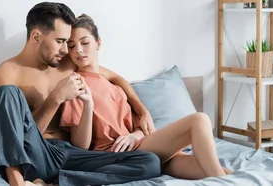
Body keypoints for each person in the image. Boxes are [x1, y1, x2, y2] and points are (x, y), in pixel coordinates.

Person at [0, 2, 161, 186]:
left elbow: (115, 77)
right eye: (60, 41)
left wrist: (142, 110)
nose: (65, 49)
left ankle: (58, 183)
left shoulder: (65, 62)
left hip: (71, 154)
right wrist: (56, 98)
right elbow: (13, 140)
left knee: (149, 162)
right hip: (36, 156)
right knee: (7, 92)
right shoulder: (6, 75)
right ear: (36, 36)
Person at [60, 14, 233, 180]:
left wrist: (134, 135)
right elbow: (80, 146)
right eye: (72, 45)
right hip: (122, 153)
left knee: (224, 172)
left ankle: (220, 179)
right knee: (199, 120)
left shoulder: (112, 83)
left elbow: (140, 126)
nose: (79, 50)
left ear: (98, 43)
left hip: (143, 145)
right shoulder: (76, 85)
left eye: (85, 42)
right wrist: (88, 105)